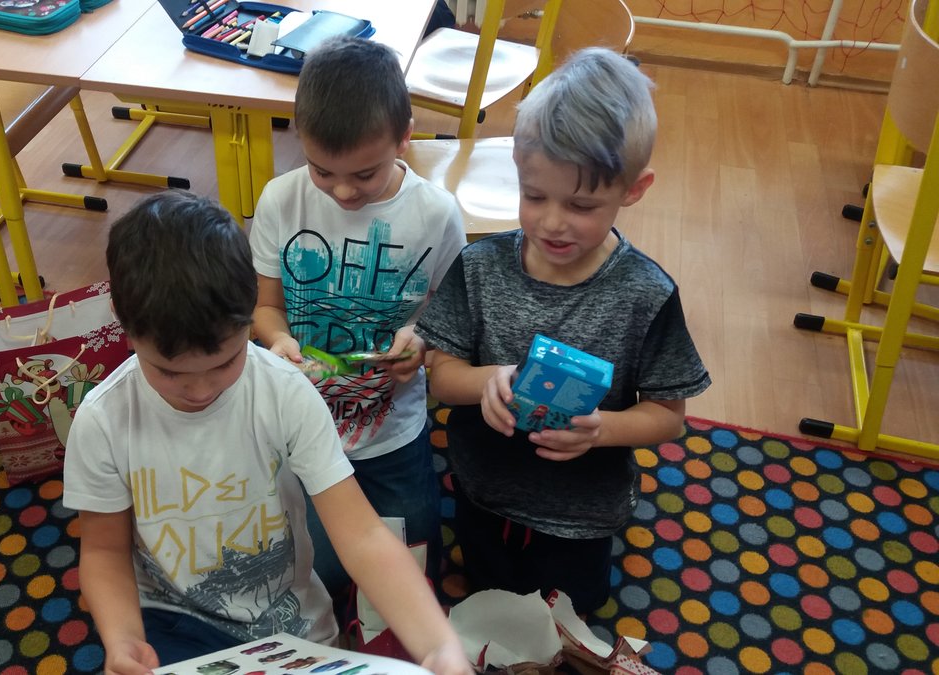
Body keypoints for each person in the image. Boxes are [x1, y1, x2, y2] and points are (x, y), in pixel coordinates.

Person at [62, 191, 471, 675]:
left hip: (290, 626)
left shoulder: (285, 392)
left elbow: (362, 534)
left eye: (225, 362)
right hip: (173, 625)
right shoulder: (103, 419)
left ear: (250, 311)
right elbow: (104, 550)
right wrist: (123, 640)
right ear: (121, 319)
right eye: (169, 372)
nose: (200, 390)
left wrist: (437, 645)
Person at [415, 48, 712, 615]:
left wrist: (601, 430)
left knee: (569, 616)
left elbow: (668, 417)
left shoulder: (645, 294)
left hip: (582, 514)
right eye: (534, 196)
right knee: (483, 596)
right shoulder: (480, 267)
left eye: (581, 204)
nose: (552, 221)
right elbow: (442, 376)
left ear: (633, 189)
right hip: (482, 491)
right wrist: (487, 381)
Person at [249, 36, 466, 601]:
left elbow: (452, 318)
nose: (343, 191)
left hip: (393, 432)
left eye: (365, 175)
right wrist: (276, 341)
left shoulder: (435, 214)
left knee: (414, 568)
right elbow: (265, 307)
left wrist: (421, 340)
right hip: (302, 429)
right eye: (321, 171)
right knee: (319, 576)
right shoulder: (281, 200)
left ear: (405, 136)